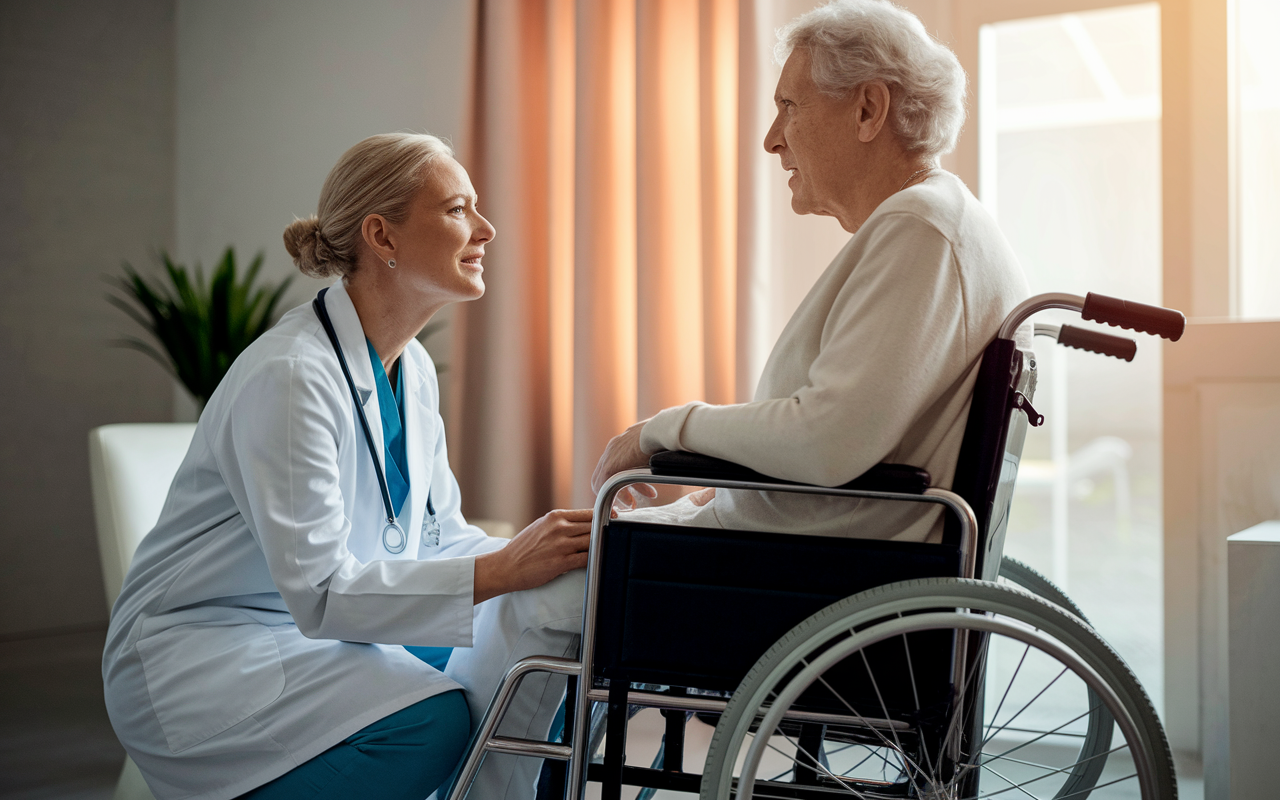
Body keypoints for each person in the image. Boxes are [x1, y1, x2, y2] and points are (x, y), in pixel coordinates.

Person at [103, 133, 589, 800]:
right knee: (432, 722)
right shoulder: (292, 375)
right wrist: (506, 568)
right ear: (381, 236)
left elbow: (439, 536)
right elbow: (323, 592)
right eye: (456, 210)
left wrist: (551, 557)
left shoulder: (410, 367)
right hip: (206, 656)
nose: (486, 228)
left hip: (311, 638)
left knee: (525, 661)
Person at [593, 0, 1029, 542]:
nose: (773, 138)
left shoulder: (922, 227)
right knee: (544, 569)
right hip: (797, 545)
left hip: (797, 569)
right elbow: (849, 435)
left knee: (527, 600)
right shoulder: (936, 220)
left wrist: (660, 430)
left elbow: (827, 441)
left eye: (789, 106)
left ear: (868, 109)